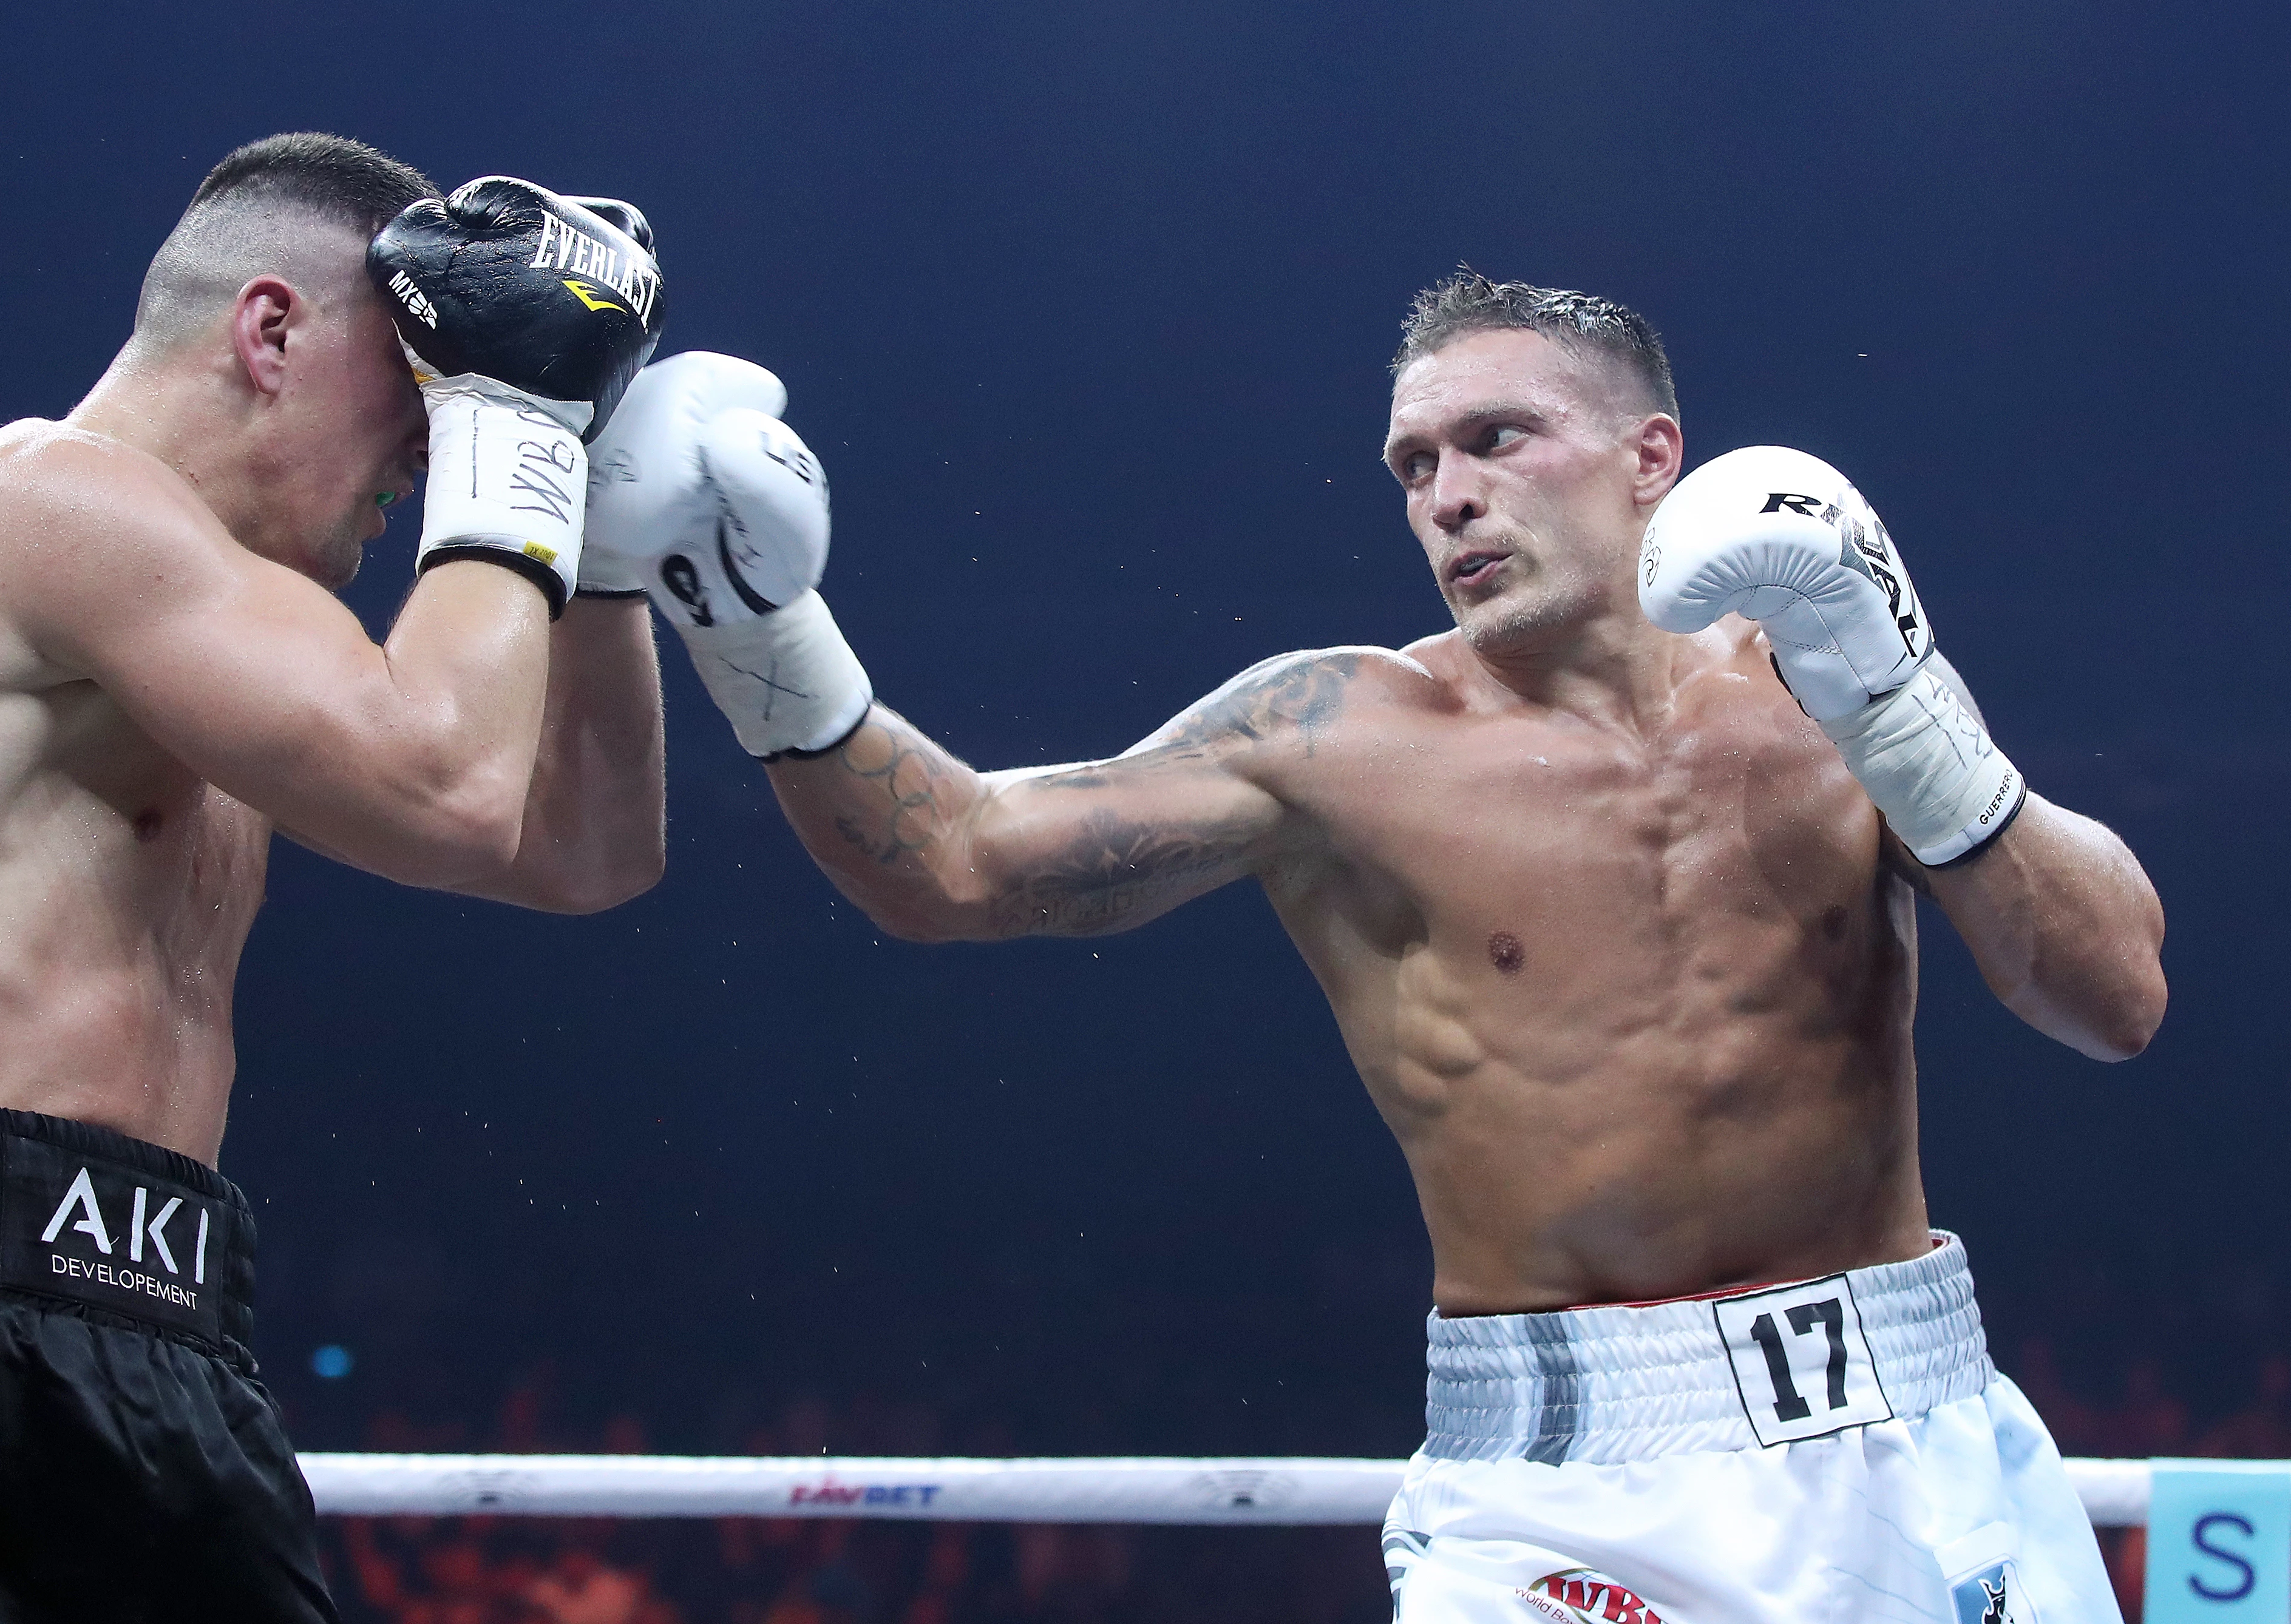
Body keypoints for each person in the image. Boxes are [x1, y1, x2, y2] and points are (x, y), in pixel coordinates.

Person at [586, 276, 2167, 1620]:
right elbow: (959, 864)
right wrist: (748, 623)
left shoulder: (1824, 674)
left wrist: (1900, 696)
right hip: (1569, 1511)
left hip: (1922, 1441)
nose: (1447, 495)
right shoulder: (1340, 732)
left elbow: (2116, 998)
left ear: (1650, 457)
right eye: (1412, 465)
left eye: (1495, 439)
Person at [0, 134, 671, 1623]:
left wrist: (594, 532)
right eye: (422, 391)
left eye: (458, 410)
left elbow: (585, 851)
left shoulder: (242, 633)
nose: (429, 453)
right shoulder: (29, 500)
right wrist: (519, 426)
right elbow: (445, 778)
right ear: (270, 328)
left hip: (160, 1338)